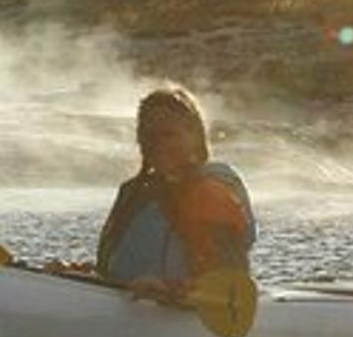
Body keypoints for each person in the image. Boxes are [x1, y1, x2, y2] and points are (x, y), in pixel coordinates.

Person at [94, 85, 256, 302]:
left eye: (168, 134)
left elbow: (231, 277)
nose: (157, 144)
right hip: (130, 308)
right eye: (148, 135)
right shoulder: (133, 193)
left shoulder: (212, 191)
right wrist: (82, 275)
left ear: (195, 137)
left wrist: (172, 290)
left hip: (188, 317)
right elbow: (107, 269)